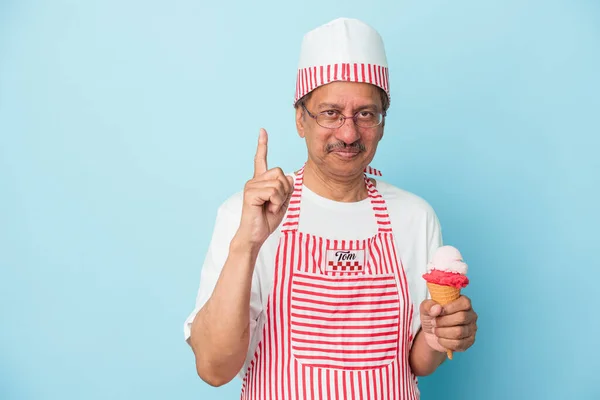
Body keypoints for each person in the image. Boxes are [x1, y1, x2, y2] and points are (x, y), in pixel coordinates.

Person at [183, 17, 478, 399]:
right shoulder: (246, 215)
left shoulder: (414, 217)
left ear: (383, 122)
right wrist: (247, 243)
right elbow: (213, 368)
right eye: (330, 113)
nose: (349, 133)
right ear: (300, 120)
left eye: (366, 114)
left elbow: (416, 363)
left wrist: (443, 335)